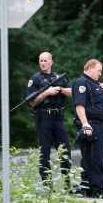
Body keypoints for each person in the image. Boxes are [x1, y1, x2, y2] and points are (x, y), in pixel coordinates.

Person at [27, 51, 71, 186]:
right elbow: (31, 102)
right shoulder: (35, 79)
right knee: (44, 152)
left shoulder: (59, 77)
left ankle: (67, 184)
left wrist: (60, 89)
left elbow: (72, 92)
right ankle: (47, 186)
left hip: (58, 118)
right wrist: (46, 93)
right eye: (41, 60)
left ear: (51, 62)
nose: (43, 63)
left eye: (45, 60)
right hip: (44, 118)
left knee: (64, 150)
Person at [72, 59, 103, 198]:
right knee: (94, 158)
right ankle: (98, 190)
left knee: (91, 158)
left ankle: (88, 188)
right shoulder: (82, 83)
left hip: (98, 125)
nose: (100, 74)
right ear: (90, 68)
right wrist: (85, 124)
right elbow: (79, 105)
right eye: (99, 70)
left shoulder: (95, 84)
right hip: (90, 124)